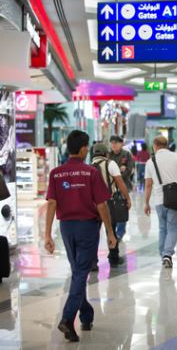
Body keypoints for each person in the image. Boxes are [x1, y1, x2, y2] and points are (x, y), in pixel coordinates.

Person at [44, 130, 117, 342]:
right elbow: (102, 205)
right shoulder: (91, 173)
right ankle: (67, 319)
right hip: (87, 228)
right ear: (84, 149)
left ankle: (86, 314)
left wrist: (47, 235)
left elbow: (51, 204)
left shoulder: (56, 173)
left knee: (78, 271)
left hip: (66, 227)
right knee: (80, 273)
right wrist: (110, 232)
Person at [144, 136, 177, 268]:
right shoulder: (176, 157)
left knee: (163, 228)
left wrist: (146, 202)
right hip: (175, 199)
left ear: (155, 145)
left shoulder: (150, 161)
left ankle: (163, 254)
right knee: (173, 227)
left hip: (159, 200)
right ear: (166, 145)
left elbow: (148, 184)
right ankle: (167, 255)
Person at [91, 143, 132, 269]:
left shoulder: (89, 166)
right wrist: (127, 198)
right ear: (106, 153)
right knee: (111, 230)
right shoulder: (110, 163)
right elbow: (120, 182)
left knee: (94, 232)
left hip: (93, 204)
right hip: (108, 201)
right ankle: (113, 258)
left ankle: (93, 262)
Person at [109, 135, 135, 241]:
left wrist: (118, 176)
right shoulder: (108, 155)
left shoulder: (126, 154)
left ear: (121, 144)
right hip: (111, 187)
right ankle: (112, 230)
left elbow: (129, 169)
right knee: (112, 209)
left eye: (116, 143)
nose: (114, 145)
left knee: (122, 208)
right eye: (112, 143)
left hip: (124, 185)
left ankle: (120, 232)